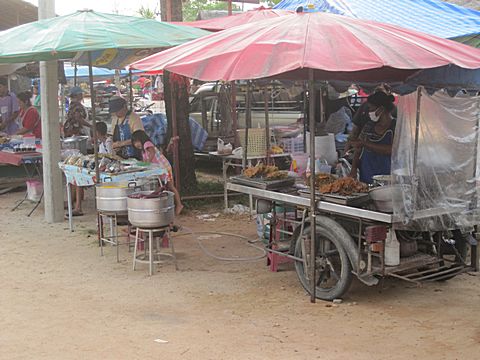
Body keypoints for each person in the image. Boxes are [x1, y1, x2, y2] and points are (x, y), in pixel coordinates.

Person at [131, 130, 184, 215]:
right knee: (163, 187)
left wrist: (147, 163)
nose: (136, 144)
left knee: (171, 187)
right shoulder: (143, 151)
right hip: (159, 171)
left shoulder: (147, 144)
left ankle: (179, 204)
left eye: (137, 141)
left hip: (165, 168)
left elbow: (152, 153)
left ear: (142, 139)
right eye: (134, 142)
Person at [349, 92, 396, 184]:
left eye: (371, 108)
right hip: (366, 175)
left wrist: (364, 143)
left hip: (388, 177)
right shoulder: (369, 126)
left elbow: (392, 150)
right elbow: (358, 149)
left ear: (381, 109)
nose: (369, 112)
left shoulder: (396, 126)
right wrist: (353, 169)